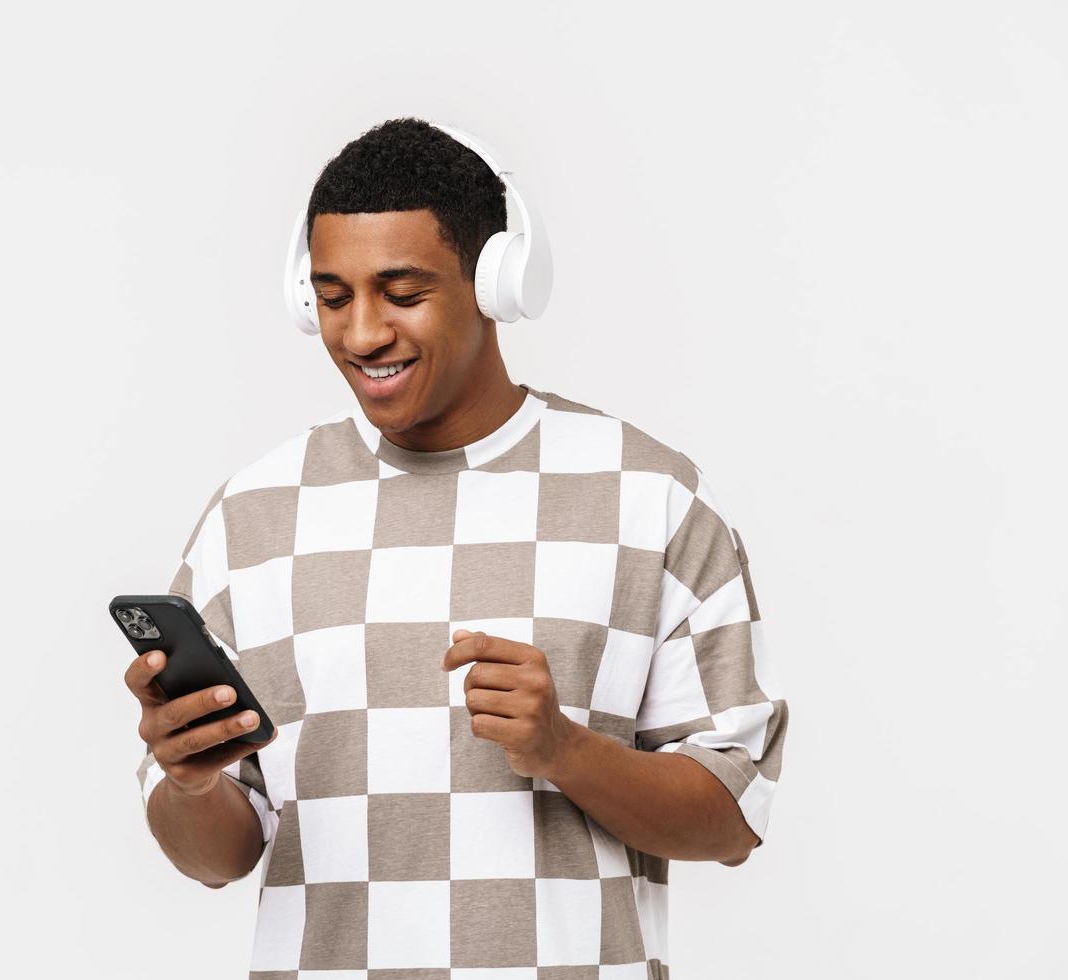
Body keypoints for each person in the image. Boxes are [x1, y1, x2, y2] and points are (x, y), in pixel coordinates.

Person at [123, 116, 788, 978]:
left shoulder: (648, 498)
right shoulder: (252, 516)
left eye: (402, 295)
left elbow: (735, 820)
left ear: (498, 283)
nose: (362, 334)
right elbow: (219, 858)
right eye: (332, 298)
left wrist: (564, 749)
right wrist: (192, 781)